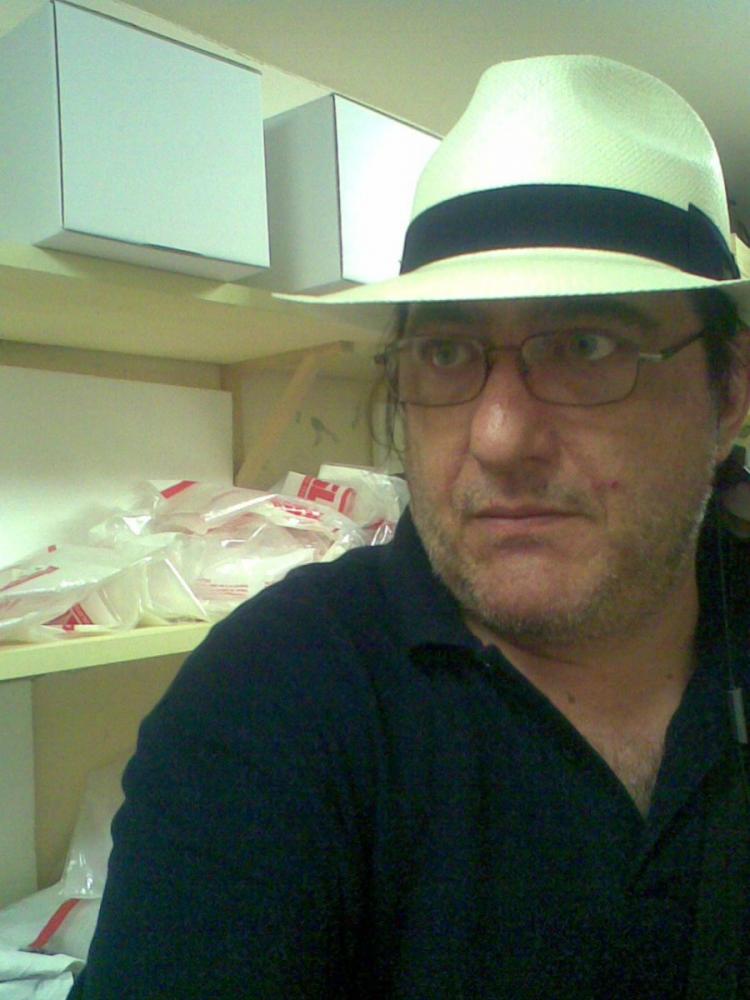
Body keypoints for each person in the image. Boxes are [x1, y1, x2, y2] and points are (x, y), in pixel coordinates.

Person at [69, 54, 750, 999]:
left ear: (729, 394)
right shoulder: (276, 695)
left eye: (586, 345)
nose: (497, 437)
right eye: (446, 352)